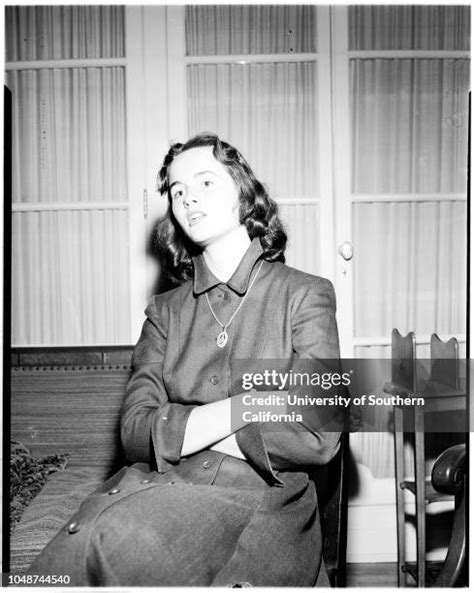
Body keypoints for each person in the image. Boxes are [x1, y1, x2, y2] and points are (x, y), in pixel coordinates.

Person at [28, 132, 342, 586]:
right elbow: (134, 432)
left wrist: (182, 429)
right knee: (71, 560)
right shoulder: (164, 311)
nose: (189, 198)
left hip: (261, 508)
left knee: (122, 546)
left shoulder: (305, 294)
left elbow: (317, 434)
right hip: (156, 489)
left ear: (244, 194)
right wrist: (248, 406)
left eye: (206, 182)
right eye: (177, 191)